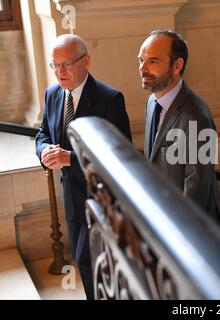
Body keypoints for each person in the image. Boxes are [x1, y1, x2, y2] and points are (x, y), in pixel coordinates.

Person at [35, 34, 132, 299]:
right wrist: (44, 150)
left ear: (86, 61)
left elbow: (119, 156)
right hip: (71, 195)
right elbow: (42, 133)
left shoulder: (109, 99)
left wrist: (71, 159)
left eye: (66, 64)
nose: (59, 71)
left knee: (89, 260)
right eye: (54, 65)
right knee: (84, 262)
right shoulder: (52, 93)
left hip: (100, 198)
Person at [138, 30, 220, 230]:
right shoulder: (152, 102)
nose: (142, 68)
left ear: (177, 65)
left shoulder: (196, 115)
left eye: (152, 61)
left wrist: (176, 232)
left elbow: (195, 187)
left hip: (190, 229)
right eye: (141, 60)